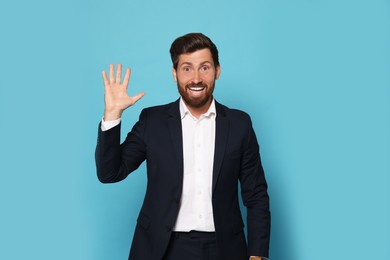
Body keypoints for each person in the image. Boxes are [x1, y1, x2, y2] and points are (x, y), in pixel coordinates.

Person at [95, 33, 270, 260]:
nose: (196, 78)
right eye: (187, 68)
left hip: (224, 248)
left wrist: (257, 255)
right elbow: (110, 173)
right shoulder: (152, 121)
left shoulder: (239, 124)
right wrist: (112, 115)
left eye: (204, 68)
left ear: (217, 70)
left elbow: (256, 194)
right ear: (174, 73)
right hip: (161, 249)